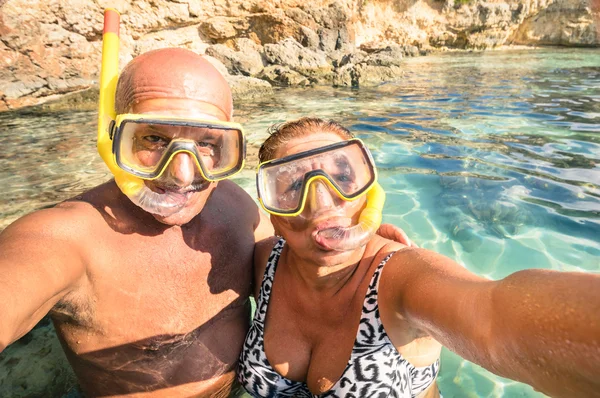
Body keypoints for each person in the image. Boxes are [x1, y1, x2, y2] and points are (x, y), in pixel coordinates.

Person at [0, 16, 411, 396]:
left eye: (208, 144)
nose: (182, 174)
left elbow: (292, 264)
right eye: (154, 140)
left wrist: (353, 241)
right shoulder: (63, 239)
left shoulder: (236, 207)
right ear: (114, 141)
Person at [238, 117, 600, 398]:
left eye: (342, 178)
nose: (322, 203)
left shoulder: (401, 280)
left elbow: (495, 320)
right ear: (274, 215)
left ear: (371, 194)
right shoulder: (264, 260)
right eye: (294, 187)